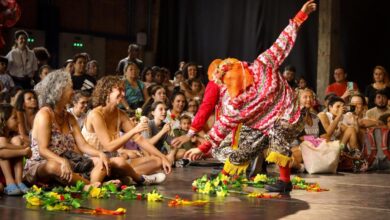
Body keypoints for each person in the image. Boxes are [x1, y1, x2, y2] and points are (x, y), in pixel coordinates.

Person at [183, 1, 317, 193]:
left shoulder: (263, 65)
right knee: (246, 143)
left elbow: (283, 42)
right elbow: (220, 128)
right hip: (262, 124)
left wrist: (300, 17)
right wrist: (201, 148)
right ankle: (224, 177)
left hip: (288, 113)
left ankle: (285, 180)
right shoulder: (234, 104)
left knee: (278, 133)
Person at [24, 70, 110, 189]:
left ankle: (92, 185)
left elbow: (83, 145)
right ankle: (90, 186)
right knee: (53, 166)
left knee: (100, 161)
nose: (73, 92)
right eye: (70, 88)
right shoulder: (45, 114)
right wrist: (62, 161)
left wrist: (100, 153)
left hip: (66, 161)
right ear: (59, 90)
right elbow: (42, 150)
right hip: (43, 163)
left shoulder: (69, 117)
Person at [82, 76, 171, 180]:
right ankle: (134, 177)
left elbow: (139, 139)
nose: (123, 94)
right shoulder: (95, 114)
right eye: (119, 90)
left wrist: (163, 157)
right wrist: (134, 130)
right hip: (97, 160)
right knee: (120, 162)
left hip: (115, 160)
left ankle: (127, 176)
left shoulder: (121, 114)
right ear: (107, 92)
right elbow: (109, 146)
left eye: (123, 90)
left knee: (157, 161)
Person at [0, 104, 31, 195]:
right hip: (3, 175)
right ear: (4, 120)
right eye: (14, 118)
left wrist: (23, 149)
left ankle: (18, 181)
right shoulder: (1, 139)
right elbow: (2, 153)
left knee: (16, 140)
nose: (18, 122)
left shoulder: (13, 137)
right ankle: (9, 183)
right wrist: (23, 151)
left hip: (12, 173)